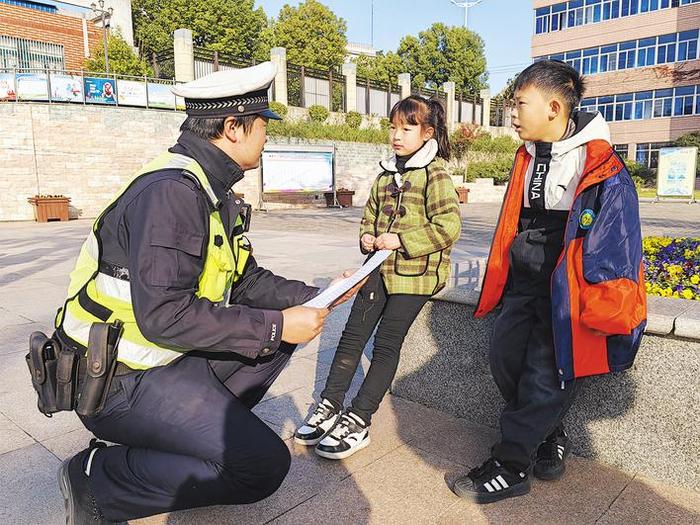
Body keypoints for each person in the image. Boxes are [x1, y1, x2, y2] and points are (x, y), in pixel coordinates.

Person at [55, 62, 362, 524]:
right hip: (115, 380)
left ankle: (181, 438)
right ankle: (99, 476)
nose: (266, 136)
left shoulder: (211, 189)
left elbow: (246, 281)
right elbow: (164, 314)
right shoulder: (172, 193)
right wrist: (278, 324)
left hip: (156, 361)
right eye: (262, 126)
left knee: (277, 340)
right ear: (233, 128)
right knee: (263, 466)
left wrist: (319, 295)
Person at [451, 60, 646, 504]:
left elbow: (618, 240)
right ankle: (549, 433)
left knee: (545, 373)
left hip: (568, 291)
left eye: (520, 104)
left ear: (554, 107)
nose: (512, 114)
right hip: (524, 282)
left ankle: (510, 465)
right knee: (504, 358)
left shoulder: (601, 164)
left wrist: (597, 304)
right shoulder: (527, 153)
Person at [294, 95, 462, 459]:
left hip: (416, 276)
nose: (397, 135)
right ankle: (328, 406)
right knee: (351, 338)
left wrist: (401, 240)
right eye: (393, 127)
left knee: (386, 345)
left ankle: (359, 418)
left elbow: (448, 227)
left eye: (407, 128)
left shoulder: (436, 174)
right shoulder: (387, 173)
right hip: (378, 270)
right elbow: (369, 217)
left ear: (428, 132)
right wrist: (367, 238)